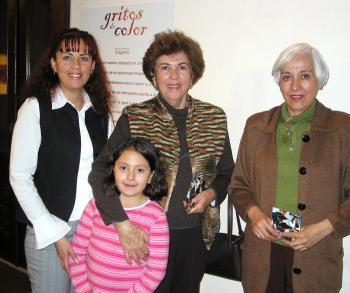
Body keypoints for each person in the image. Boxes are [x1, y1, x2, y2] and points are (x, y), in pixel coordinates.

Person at [88, 30, 234, 292]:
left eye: (182, 67)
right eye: (164, 68)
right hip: (146, 234)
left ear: (193, 75)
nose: (174, 76)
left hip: (196, 236)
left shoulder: (214, 118)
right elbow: (100, 171)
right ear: (153, 77)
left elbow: (227, 172)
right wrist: (122, 224)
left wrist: (212, 193)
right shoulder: (135, 117)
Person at [229, 43, 350, 293]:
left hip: (316, 254)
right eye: (287, 77)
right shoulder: (257, 125)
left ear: (319, 80)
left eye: (304, 75)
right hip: (263, 254)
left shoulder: (342, 128)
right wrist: (254, 214)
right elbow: (238, 185)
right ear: (279, 82)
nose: (295, 86)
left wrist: (324, 227)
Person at [9, 28, 112, 293]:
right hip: (49, 230)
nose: (76, 65)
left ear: (93, 66)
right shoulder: (35, 109)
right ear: (53, 63)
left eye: (84, 58)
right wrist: (56, 233)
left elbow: (108, 175)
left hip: (93, 230)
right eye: (67, 56)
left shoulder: (101, 114)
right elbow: (19, 176)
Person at [69, 138, 169, 292]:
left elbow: (156, 270)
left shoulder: (157, 217)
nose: (130, 176)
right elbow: (77, 253)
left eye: (140, 170)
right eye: (123, 168)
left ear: (151, 176)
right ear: (113, 169)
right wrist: (84, 290)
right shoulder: (95, 205)